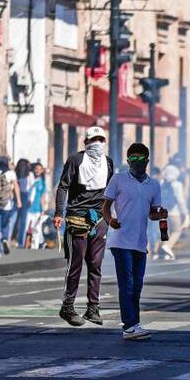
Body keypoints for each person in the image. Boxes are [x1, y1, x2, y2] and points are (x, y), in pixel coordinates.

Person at [102, 143, 166, 341]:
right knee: (127, 284)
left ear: (147, 160)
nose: (137, 163)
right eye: (133, 159)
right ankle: (129, 326)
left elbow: (153, 214)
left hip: (140, 242)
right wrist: (109, 220)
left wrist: (161, 215)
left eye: (141, 159)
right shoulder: (119, 179)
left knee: (137, 285)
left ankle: (134, 324)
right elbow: (105, 206)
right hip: (120, 241)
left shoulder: (153, 185)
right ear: (128, 160)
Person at [55, 126, 115, 327]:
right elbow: (63, 186)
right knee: (75, 265)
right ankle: (68, 307)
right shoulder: (75, 160)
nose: (97, 143)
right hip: (77, 219)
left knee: (96, 265)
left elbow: (110, 191)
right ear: (86, 142)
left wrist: (111, 216)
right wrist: (58, 213)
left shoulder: (108, 163)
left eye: (100, 139)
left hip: (99, 220)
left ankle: (93, 308)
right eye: (93, 139)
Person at [24, 162, 48, 249]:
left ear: (42, 171)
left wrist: (43, 210)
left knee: (36, 229)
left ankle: (35, 248)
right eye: (36, 169)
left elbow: (42, 197)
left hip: (37, 209)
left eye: (39, 169)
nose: (37, 170)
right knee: (25, 228)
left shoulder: (42, 183)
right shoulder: (30, 180)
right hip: (27, 209)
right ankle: (23, 245)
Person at [0, 157, 17, 256]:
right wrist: (19, 200)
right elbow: (16, 187)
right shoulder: (11, 173)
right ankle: (5, 239)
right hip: (7, 204)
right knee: (5, 224)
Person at [12, 158, 32, 248]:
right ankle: (19, 242)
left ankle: (11, 239)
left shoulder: (15, 174)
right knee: (21, 221)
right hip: (24, 196)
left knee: (14, 219)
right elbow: (30, 188)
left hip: (17, 196)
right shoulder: (29, 175)